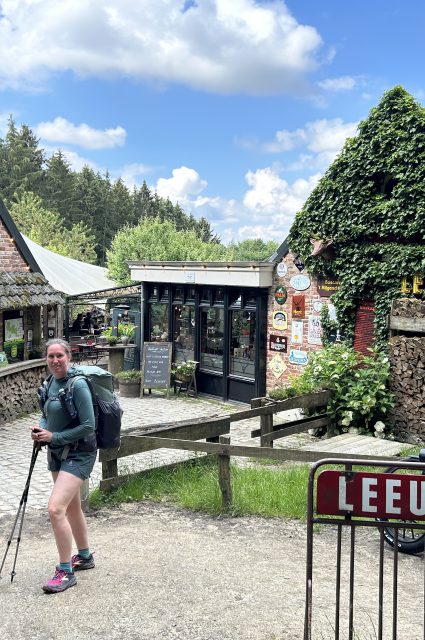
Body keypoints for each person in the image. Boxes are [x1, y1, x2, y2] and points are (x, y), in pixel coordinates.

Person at [31, 338, 97, 593]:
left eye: (60, 355)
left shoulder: (78, 385)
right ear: (46, 359)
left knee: (55, 508)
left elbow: (89, 425)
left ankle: (65, 572)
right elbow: (46, 414)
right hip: (57, 453)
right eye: (51, 356)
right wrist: (41, 429)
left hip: (79, 453)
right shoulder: (49, 383)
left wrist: (54, 437)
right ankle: (85, 556)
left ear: (69, 357)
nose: (55, 360)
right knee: (71, 506)